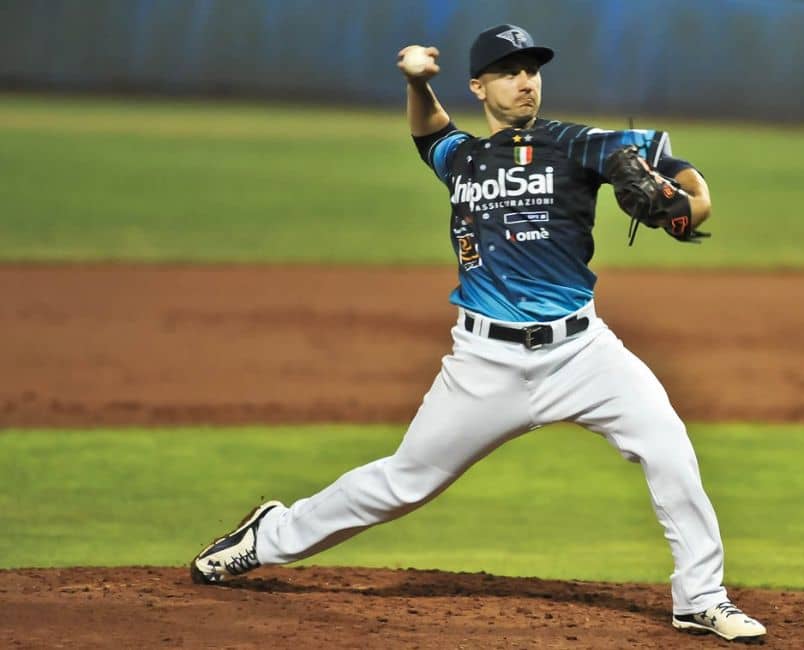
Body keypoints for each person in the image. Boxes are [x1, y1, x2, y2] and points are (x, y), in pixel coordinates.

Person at [190, 23, 766, 643]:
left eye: (533, 70)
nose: (526, 82)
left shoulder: (579, 145)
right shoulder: (462, 157)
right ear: (479, 85)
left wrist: (684, 208)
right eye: (509, 71)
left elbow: (686, 181)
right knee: (404, 483)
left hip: (582, 353)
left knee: (668, 445)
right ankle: (266, 537)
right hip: (483, 363)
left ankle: (700, 598)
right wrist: (415, 81)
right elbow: (428, 132)